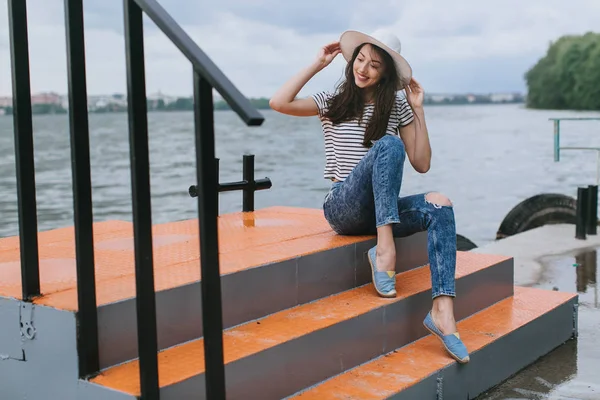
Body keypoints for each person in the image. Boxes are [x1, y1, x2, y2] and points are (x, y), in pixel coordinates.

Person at [269, 29, 469, 364]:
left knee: (440, 204)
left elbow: (422, 163)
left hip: (381, 211)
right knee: (389, 144)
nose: (363, 69)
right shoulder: (333, 102)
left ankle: (443, 313)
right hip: (343, 208)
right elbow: (279, 103)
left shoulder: (397, 107)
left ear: (386, 73)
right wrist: (317, 64)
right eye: (360, 60)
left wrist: (418, 110)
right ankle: (385, 250)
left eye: (374, 65)